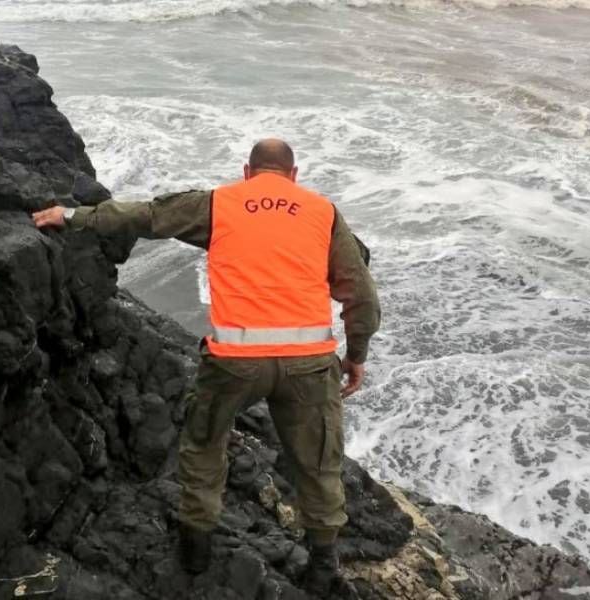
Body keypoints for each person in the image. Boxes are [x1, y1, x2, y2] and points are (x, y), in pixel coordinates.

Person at [33, 139, 380, 594]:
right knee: (317, 461)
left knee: (205, 445)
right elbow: (362, 297)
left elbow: (146, 215)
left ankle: (195, 546)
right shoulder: (323, 213)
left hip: (235, 361)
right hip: (309, 365)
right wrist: (355, 356)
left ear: (247, 171)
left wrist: (72, 216)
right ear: (293, 176)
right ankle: (322, 563)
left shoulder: (220, 203)